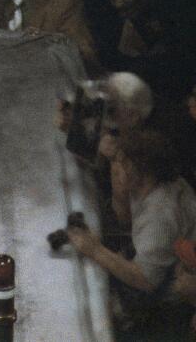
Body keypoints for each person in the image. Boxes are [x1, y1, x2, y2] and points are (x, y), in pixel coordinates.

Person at [66, 128, 196, 337]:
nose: (117, 167)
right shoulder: (149, 183)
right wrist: (118, 188)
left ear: (142, 170)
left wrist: (94, 250)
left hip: (173, 287)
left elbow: (146, 280)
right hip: (156, 258)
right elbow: (125, 220)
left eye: (123, 164)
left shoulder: (160, 216)